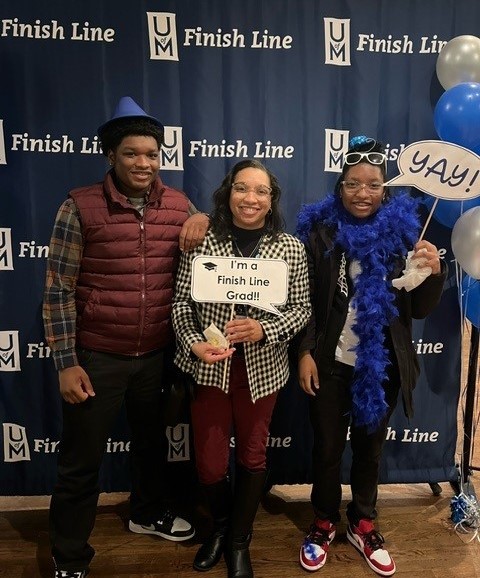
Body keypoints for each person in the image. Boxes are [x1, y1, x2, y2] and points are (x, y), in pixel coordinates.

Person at [43, 96, 209, 578]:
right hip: (97, 357)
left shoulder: (178, 204)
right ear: (111, 156)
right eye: (132, 153)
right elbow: (58, 289)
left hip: (156, 355)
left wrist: (205, 218)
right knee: (81, 462)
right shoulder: (79, 206)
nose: (143, 163)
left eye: (152, 154)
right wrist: (67, 362)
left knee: (151, 447)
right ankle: (68, 555)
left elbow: (215, 243)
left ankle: (146, 514)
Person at [295, 136, 447, 577]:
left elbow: (418, 309)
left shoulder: (404, 235)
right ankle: (324, 521)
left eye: (373, 184)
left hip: (380, 367)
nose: (363, 193)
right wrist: (304, 351)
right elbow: (303, 300)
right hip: (328, 363)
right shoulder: (320, 232)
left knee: (369, 450)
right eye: (353, 184)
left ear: (385, 188)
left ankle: (363, 522)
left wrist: (433, 273)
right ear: (340, 186)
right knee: (326, 449)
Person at [171, 159, 311, 578]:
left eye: (261, 191)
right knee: (210, 463)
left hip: (262, 371)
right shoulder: (202, 240)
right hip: (209, 370)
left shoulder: (290, 248)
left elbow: (301, 310)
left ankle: (238, 540)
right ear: (228, 193)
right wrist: (192, 342)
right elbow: (181, 304)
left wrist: (264, 329)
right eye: (242, 188)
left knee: (252, 454)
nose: (251, 198)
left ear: (272, 200)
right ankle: (219, 527)